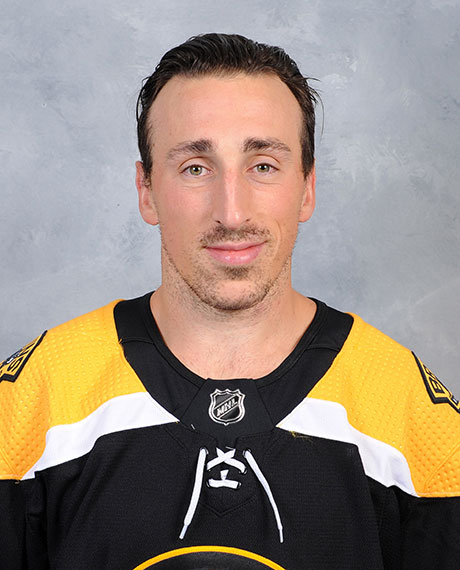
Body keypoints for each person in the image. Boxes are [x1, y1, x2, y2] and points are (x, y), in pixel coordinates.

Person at [1, 33, 459, 570]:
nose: (232, 212)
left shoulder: (412, 415)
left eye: (263, 165)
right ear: (147, 191)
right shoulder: (30, 403)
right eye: (196, 167)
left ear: (307, 187)